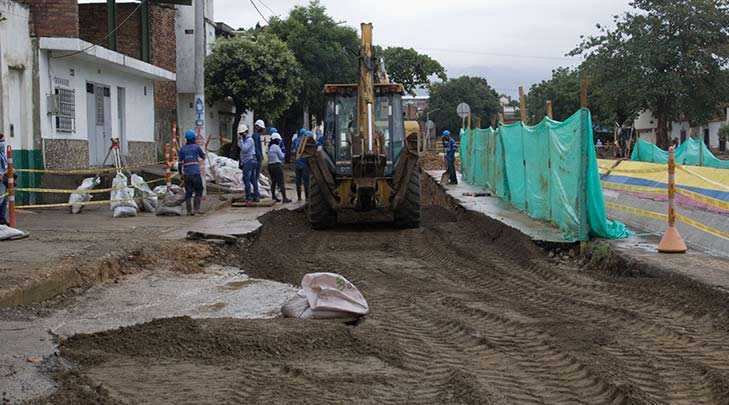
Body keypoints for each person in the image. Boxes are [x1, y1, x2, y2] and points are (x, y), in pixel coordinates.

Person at [178, 129, 206, 215]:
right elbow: (203, 156)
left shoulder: (182, 149)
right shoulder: (196, 147)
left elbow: (179, 163)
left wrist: (180, 173)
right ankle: (196, 209)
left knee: (188, 192)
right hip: (195, 173)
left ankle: (189, 211)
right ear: (194, 138)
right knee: (199, 190)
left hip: (187, 174)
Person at [267, 132, 291, 203]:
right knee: (281, 182)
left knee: (273, 182)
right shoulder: (276, 147)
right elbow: (282, 157)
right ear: (276, 140)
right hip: (277, 166)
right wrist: (284, 152)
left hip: (270, 166)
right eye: (279, 140)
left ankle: (274, 197)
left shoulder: (269, 147)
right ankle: (284, 198)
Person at [238, 123, 257, 205]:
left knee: (247, 180)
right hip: (249, 161)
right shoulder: (246, 140)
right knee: (253, 179)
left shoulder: (249, 140)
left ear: (246, 132)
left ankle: (248, 198)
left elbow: (244, 149)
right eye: (240, 134)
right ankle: (256, 196)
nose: (241, 135)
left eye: (242, 133)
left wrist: (241, 140)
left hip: (249, 162)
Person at [291, 128, 310, 202]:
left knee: (298, 181)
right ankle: (307, 197)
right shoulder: (306, 142)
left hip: (297, 164)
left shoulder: (295, 141)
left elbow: (292, 152)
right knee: (306, 181)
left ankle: (299, 197)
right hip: (305, 164)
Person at [252, 119, 265, 202]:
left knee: (255, 178)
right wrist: (259, 157)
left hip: (258, 159)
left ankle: (256, 194)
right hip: (256, 159)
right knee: (255, 178)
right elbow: (256, 148)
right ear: (256, 127)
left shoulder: (256, 135)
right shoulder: (255, 136)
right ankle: (256, 195)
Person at [0, 133, 8, 225]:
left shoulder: (3, 154)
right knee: (1, 199)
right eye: (1, 141)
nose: (3, 143)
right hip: (1, 179)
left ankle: (2, 220)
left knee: (5, 200)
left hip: (5, 179)